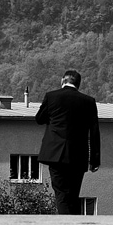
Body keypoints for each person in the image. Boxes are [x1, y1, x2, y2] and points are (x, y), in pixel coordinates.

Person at [35, 69, 100, 215]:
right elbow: (94, 132)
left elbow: (39, 119)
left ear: (63, 80)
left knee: (61, 194)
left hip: (55, 154)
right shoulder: (88, 101)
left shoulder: (51, 97)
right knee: (73, 194)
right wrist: (94, 160)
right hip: (78, 155)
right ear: (78, 84)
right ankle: (75, 224)